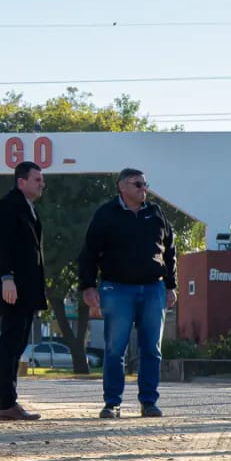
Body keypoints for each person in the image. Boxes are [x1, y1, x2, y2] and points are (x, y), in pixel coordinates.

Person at [78, 168, 177, 418]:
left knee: (151, 349)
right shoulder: (106, 215)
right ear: (122, 187)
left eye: (145, 183)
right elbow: (89, 252)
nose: (144, 188)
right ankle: (112, 403)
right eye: (138, 184)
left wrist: (170, 285)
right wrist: (87, 286)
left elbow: (170, 251)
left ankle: (149, 402)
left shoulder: (156, 213)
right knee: (114, 349)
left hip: (154, 288)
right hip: (117, 289)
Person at [0, 161, 47, 422]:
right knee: (10, 343)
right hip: (13, 288)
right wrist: (6, 277)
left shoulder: (29, 208)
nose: (42, 184)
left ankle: (10, 402)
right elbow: (1, 246)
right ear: (21, 181)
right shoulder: (8, 206)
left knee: (18, 343)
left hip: (28, 288)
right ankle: (6, 404)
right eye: (37, 180)